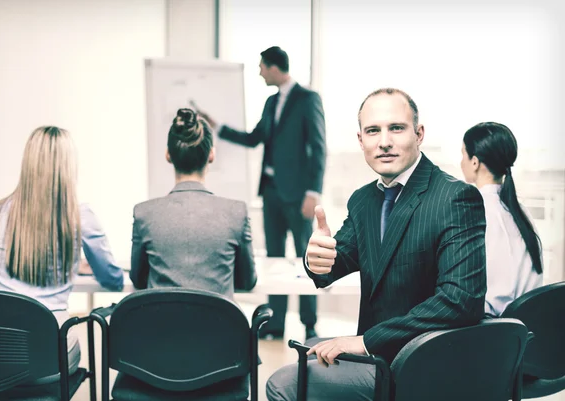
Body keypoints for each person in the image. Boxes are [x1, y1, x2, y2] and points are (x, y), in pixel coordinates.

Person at [266, 88, 487, 400]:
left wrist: (365, 341)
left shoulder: (454, 197)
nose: (384, 141)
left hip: (426, 365)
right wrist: (314, 258)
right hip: (378, 360)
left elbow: (460, 301)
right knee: (308, 355)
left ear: (419, 134)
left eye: (396, 128)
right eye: (373, 131)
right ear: (361, 141)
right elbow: (332, 263)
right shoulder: (363, 200)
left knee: (282, 384)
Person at [198, 46, 326, 340]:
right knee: (274, 258)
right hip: (270, 193)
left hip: (297, 194)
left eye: (261, 67)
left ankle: (309, 323)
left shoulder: (308, 99)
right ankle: (277, 323)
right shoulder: (270, 103)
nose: (259, 72)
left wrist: (313, 192)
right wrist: (217, 127)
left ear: (274, 67)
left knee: (307, 257)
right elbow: (255, 138)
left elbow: (318, 147)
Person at [0, 126, 124, 381]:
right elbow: (112, 279)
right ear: (68, 166)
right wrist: (78, 263)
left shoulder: (0, 211)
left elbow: (23, 259)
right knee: (72, 339)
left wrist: (71, 262)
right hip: (47, 353)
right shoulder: (80, 215)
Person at [130, 108, 257, 299]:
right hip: (219, 327)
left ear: (168, 155)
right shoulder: (236, 213)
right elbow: (247, 282)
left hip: (161, 327)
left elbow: (139, 281)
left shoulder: (144, 213)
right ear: (211, 155)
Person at [461, 122, 543, 317]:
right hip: (522, 330)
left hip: (496, 332)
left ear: (474, 162)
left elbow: (497, 299)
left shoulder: (479, 210)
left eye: (462, 154)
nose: (461, 162)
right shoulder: (520, 211)